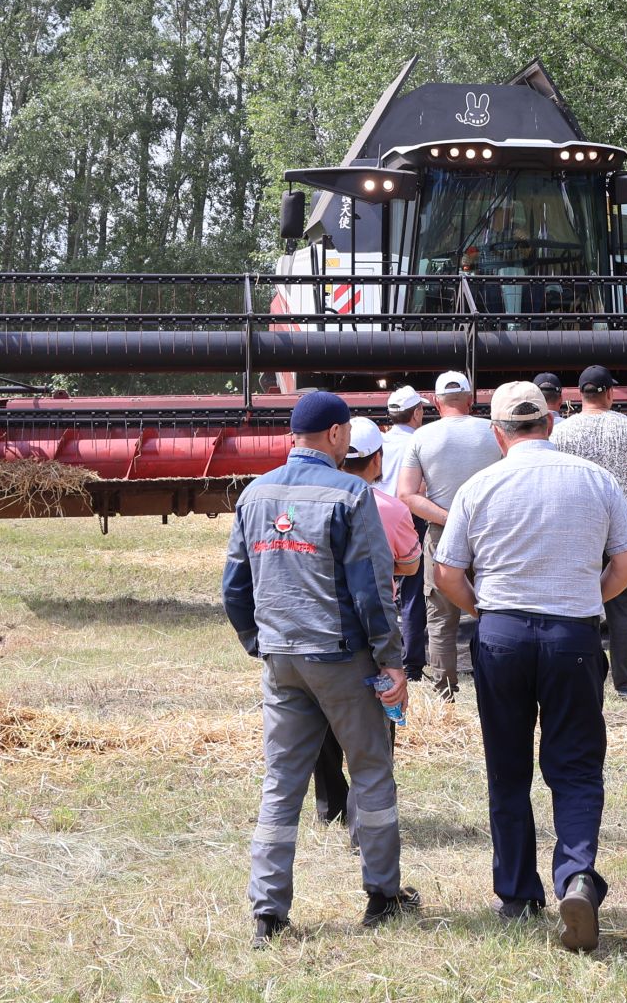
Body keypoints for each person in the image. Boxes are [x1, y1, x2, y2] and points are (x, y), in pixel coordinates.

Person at [432, 380, 627, 952]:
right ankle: (576, 875)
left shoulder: (480, 485)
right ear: (551, 422)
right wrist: (592, 600)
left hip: (501, 631)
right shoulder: (593, 479)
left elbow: (446, 574)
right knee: (574, 765)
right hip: (572, 633)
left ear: (499, 434)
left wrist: (487, 611)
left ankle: (518, 894)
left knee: (507, 768)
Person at [221, 391, 417, 945]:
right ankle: (383, 895)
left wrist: (259, 642)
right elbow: (373, 593)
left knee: (281, 783)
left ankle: (268, 913)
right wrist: (391, 662)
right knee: (372, 771)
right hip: (343, 659)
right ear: (336, 436)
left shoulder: (255, 493)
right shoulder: (353, 494)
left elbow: (234, 587)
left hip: (282, 659)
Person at [312, 417, 425, 829]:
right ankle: (366, 816)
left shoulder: (315, 497)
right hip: (372, 629)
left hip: (317, 626)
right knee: (375, 731)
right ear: (377, 460)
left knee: (321, 722)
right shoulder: (391, 508)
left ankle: (330, 806)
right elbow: (411, 564)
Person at [550, 365, 627, 698]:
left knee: (575, 603)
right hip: (620, 528)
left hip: (576, 527)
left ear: (578, 395)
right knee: (621, 607)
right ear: (610, 393)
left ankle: (578, 676)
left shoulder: (561, 432)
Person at [398, 370, 502, 699]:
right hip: (490, 531)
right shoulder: (493, 432)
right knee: (495, 607)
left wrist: (450, 517)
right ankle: (497, 682)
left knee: (441, 614)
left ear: (434, 401)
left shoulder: (421, 438)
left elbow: (407, 495)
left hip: (441, 533)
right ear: (471, 400)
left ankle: (445, 691)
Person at [380, 386, 429, 683]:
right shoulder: (421, 442)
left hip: (375, 515)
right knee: (412, 593)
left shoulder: (380, 441)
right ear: (417, 412)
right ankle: (411, 665)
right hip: (408, 518)